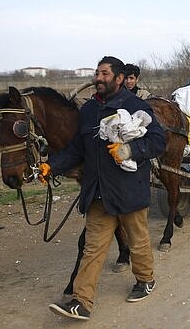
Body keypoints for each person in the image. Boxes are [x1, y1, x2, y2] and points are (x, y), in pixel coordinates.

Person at [40, 56, 166, 320]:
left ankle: (145, 280)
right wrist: (52, 166)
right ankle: (81, 302)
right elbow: (77, 148)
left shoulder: (135, 106)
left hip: (128, 189)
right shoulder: (88, 111)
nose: (98, 78)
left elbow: (158, 141)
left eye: (104, 74)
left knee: (138, 240)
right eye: (97, 73)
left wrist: (129, 149)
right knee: (93, 246)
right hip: (97, 190)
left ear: (119, 78)